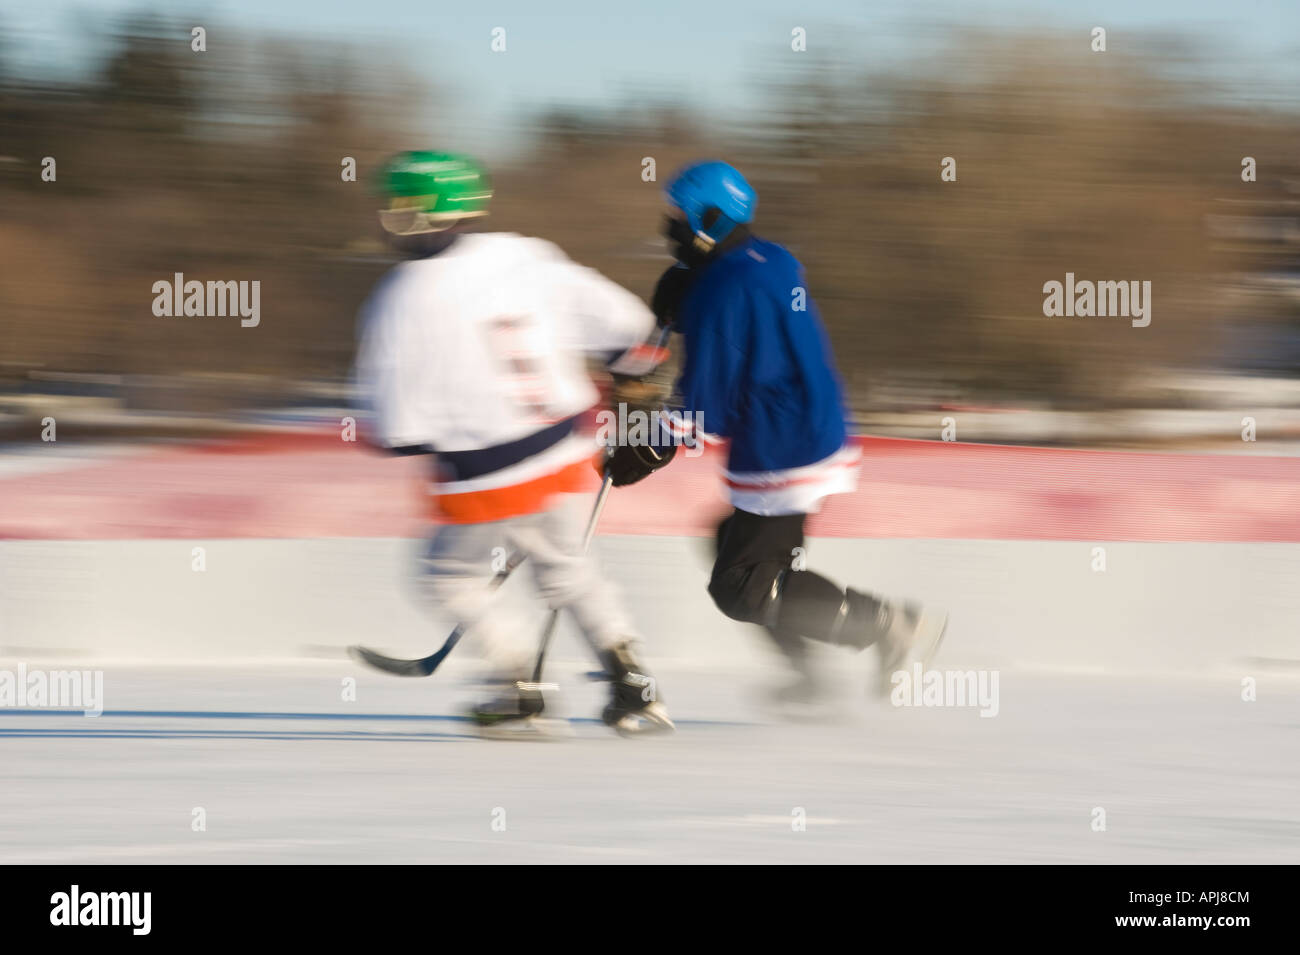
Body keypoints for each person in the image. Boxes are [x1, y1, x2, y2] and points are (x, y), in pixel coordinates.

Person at [352, 150, 673, 737]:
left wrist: (410, 435)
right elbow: (633, 334)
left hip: (480, 472)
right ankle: (636, 689)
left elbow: (392, 427)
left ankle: (517, 684)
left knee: (447, 578)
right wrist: (638, 398)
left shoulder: (400, 295)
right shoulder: (525, 254)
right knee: (571, 570)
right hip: (557, 451)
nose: (389, 219)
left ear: (430, 212)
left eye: (402, 207)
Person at [609, 159, 947, 707]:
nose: (666, 227)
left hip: (783, 442)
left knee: (741, 587)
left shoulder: (724, 289)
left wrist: (645, 449)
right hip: (800, 427)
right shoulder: (759, 261)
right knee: (739, 554)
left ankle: (887, 625)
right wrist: (691, 292)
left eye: (677, 217)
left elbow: (705, 405)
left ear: (708, 220)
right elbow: (745, 328)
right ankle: (813, 674)